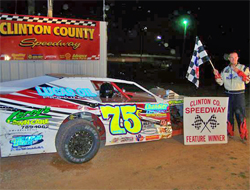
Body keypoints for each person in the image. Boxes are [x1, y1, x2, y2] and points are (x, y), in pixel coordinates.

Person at [213, 52, 249, 140]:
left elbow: (247, 80)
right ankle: (230, 133)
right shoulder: (225, 70)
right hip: (228, 94)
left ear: (238, 58)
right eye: (231, 58)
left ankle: (243, 135)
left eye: (235, 57)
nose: (233, 59)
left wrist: (237, 71)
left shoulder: (244, 68)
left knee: (240, 114)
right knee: (228, 114)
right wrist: (216, 75)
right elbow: (220, 82)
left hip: (239, 94)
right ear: (229, 59)